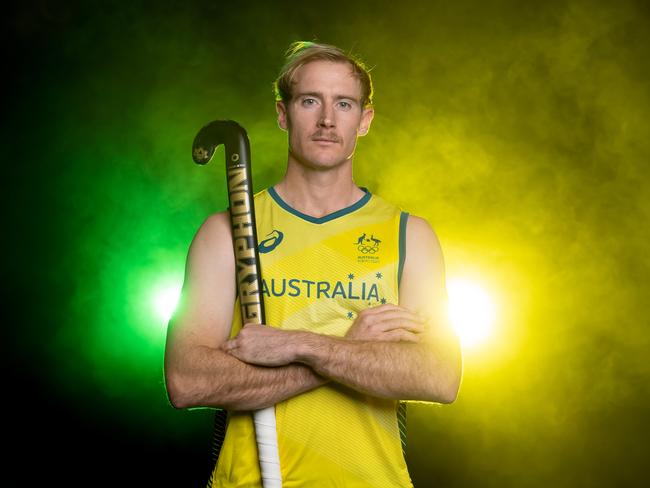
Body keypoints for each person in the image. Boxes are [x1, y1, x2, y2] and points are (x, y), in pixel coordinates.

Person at [164, 41, 462, 487]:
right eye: (310, 101)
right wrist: (352, 350)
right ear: (283, 115)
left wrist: (304, 346)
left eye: (344, 104)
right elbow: (187, 381)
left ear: (365, 120)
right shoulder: (226, 232)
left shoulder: (408, 236)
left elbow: (439, 376)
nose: (327, 119)